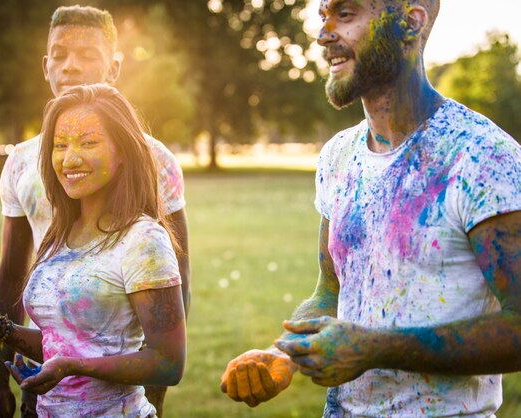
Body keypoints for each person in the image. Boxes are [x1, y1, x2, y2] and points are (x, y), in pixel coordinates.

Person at [221, 0, 521, 416]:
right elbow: (331, 291)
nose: (324, 33)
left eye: (345, 14)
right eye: (322, 15)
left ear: (409, 23)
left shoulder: (482, 157)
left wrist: (374, 349)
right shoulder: (337, 156)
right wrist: (283, 354)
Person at [0, 6, 191, 418]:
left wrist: (148, 396)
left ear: (115, 67)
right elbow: (12, 275)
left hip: (117, 383)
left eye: (87, 54)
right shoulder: (22, 162)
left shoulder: (153, 160)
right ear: (45, 65)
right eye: (60, 55)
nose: (71, 66)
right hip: (42, 367)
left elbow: (176, 282)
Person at [0, 83, 186, 417]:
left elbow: (169, 363)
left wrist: (73, 367)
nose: (70, 158)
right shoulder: (59, 234)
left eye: (88, 143)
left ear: (122, 154)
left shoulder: (143, 240)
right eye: (60, 145)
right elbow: (60, 344)